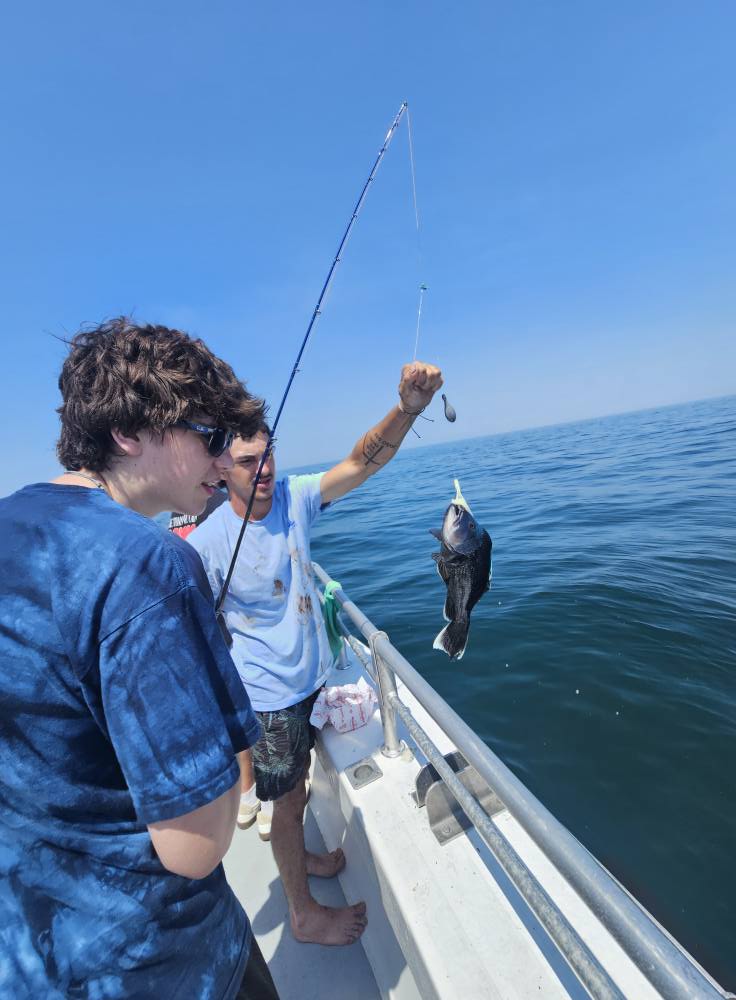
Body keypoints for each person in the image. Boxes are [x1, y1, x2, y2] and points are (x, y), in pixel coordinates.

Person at [0, 318, 279, 1000]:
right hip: (164, 962)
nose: (226, 462)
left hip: (29, 956)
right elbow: (195, 847)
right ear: (128, 431)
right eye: (211, 436)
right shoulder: (150, 565)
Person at [190, 361, 443, 948]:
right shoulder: (205, 545)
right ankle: (302, 913)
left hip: (310, 679)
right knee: (286, 803)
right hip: (268, 699)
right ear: (221, 467)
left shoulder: (295, 497)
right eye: (247, 461)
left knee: (298, 787)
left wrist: (407, 409)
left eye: (268, 454)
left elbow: (361, 462)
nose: (263, 469)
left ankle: (300, 857)